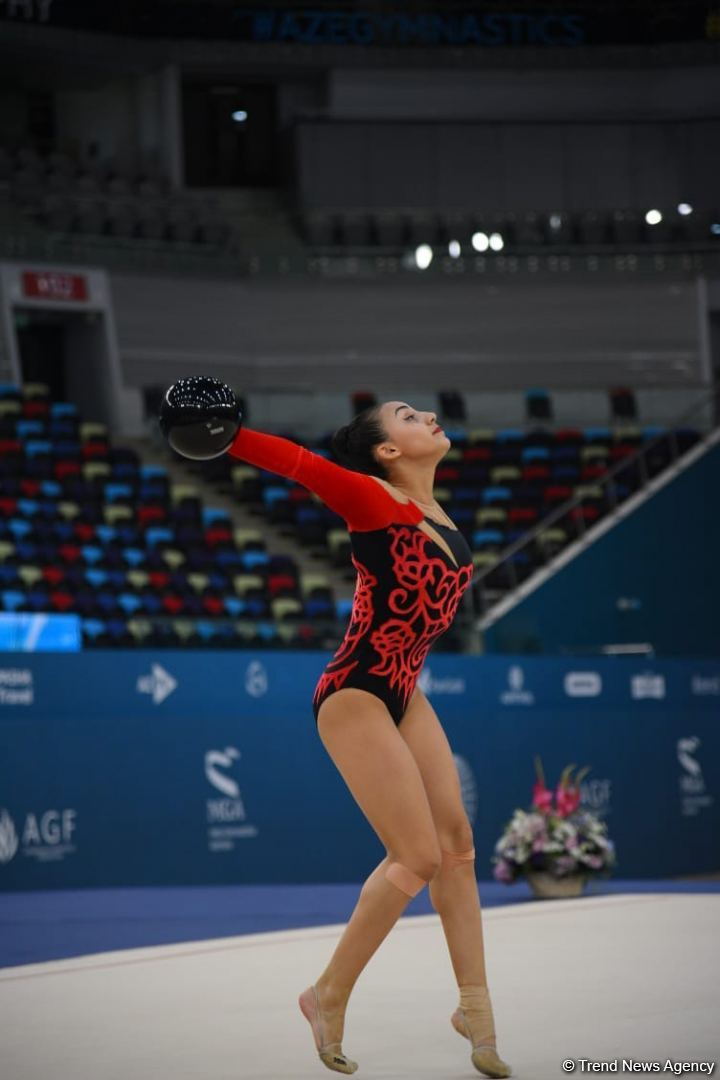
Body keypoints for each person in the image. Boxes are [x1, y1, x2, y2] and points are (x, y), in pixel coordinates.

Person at [227, 400, 511, 1078]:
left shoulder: (439, 515)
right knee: (414, 855)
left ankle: (475, 1008)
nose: (430, 414)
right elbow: (298, 465)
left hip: (404, 690)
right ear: (387, 451)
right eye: (409, 415)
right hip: (355, 692)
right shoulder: (372, 499)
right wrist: (227, 434)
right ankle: (327, 993)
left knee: (459, 848)